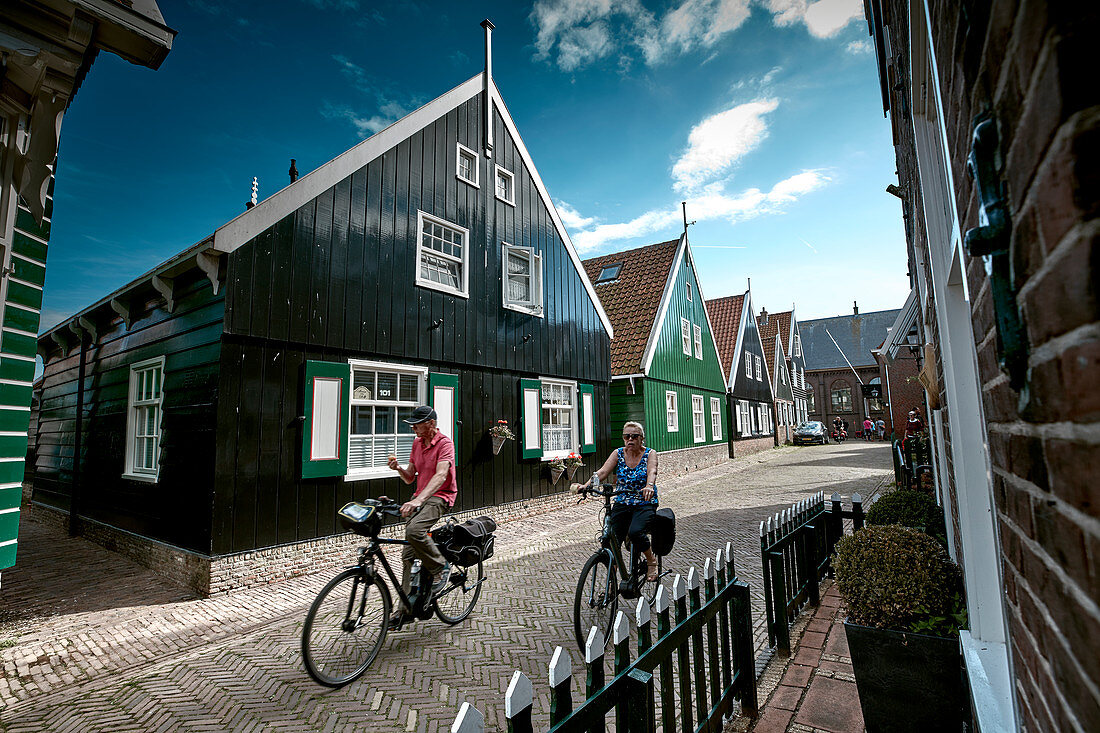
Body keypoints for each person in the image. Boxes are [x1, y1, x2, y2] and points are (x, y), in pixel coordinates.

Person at [385, 405, 458, 627]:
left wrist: (418, 500)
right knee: (408, 555)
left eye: (417, 424)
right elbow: (410, 477)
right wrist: (398, 468)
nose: (413, 428)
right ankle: (405, 609)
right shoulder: (417, 443)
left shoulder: (445, 444)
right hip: (420, 497)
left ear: (431, 424)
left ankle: (440, 567)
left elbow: (441, 475)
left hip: (440, 497)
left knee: (414, 531)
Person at [571, 421, 660, 582]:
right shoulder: (618, 453)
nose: (630, 440)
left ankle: (651, 560)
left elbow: (652, 471)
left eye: (634, 436)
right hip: (622, 501)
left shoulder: (649, 453)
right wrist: (585, 486)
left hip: (644, 501)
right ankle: (611, 586)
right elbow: (603, 471)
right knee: (609, 541)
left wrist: (649, 485)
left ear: (642, 439)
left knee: (636, 532)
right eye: (627, 436)